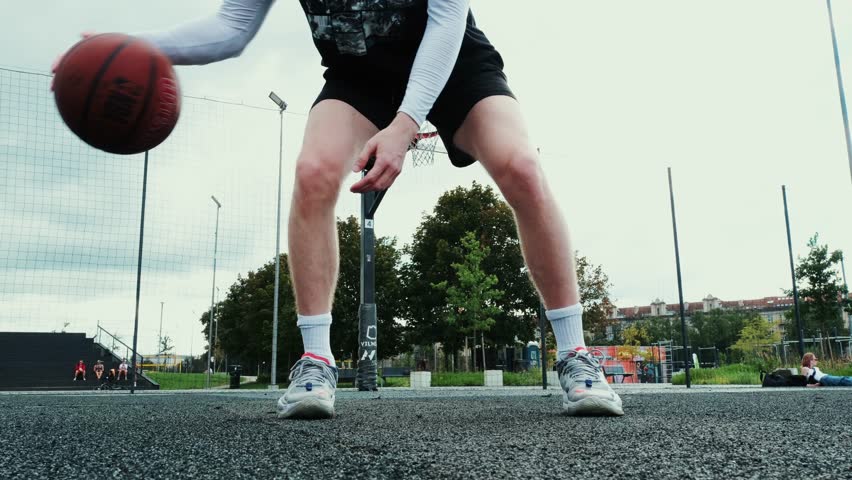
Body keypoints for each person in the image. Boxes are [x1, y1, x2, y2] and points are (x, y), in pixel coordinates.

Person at [54, 0, 623, 419]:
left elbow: (449, 18)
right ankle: (317, 364)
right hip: (360, 77)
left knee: (521, 166)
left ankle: (575, 353)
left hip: (454, 66)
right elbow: (231, 28)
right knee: (313, 172)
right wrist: (132, 49)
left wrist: (404, 126)